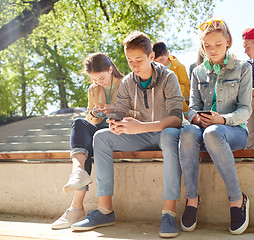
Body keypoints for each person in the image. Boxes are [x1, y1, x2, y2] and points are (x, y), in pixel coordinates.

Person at [71, 31, 184, 238]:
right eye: (129, 60)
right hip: (140, 137)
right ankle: (105, 210)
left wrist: (141, 126)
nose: (134, 65)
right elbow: (120, 111)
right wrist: (114, 122)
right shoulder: (127, 82)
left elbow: (177, 118)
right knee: (101, 137)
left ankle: (169, 213)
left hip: (165, 134)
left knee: (169, 135)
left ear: (151, 57)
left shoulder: (169, 77)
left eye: (139, 59)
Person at [179, 19, 252, 235]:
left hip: (234, 131)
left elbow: (246, 110)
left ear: (228, 42)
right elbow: (191, 107)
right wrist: (195, 118)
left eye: (218, 45)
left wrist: (223, 120)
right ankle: (192, 199)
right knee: (187, 132)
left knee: (212, 132)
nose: (212, 50)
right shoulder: (197, 71)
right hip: (205, 130)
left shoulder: (243, 68)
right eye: (207, 46)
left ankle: (237, 200)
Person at [51, 53, 124, 229]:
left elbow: (136, 112)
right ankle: (78, 173)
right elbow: (90, 118)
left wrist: (115, 112)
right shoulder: (93, 89)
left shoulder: (127, 83)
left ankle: (76, 207)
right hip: (100, 128)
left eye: (101, 77)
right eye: (94, 79)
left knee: (90, 145)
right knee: (79, 123)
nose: (99, 82)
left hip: (119, 130)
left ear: (110, 69)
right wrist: (93, 114)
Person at [152, 41, 190, 112]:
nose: (158, 64)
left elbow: (187, 90)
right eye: (155, 61)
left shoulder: (179, 67)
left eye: (161, 60)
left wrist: (171, 86)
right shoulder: (152, 70)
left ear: (167, 54)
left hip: (180, 110)